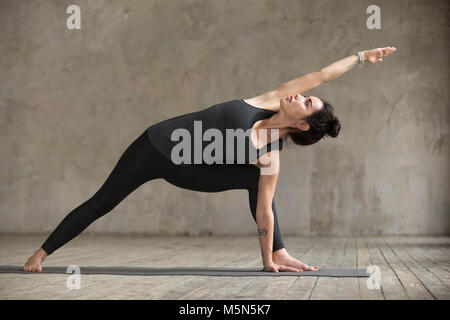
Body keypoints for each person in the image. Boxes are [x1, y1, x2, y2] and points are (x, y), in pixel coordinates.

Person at [23, 47, 396, 273]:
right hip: (155, 145)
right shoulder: (271, 98)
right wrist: (362, 57)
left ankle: (279, 255)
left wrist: (266, 259)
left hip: (189, 171)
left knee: (259, 182)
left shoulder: (270, 157)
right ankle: (41, 253)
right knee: (103, 200)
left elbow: (265, 212)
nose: (300, 95)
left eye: (306, 102)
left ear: (301, 123)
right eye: (304, 96)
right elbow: (322, 75)